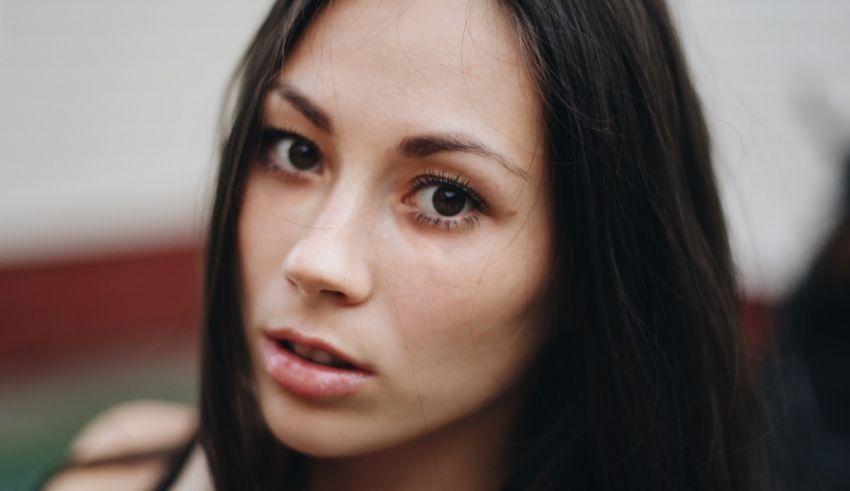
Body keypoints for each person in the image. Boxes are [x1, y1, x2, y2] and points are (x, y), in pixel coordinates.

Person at [40, 0, 762, 489]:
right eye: (295, 151)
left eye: (446, 197)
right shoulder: (124, 466)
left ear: (586, 270)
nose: (317, 260)